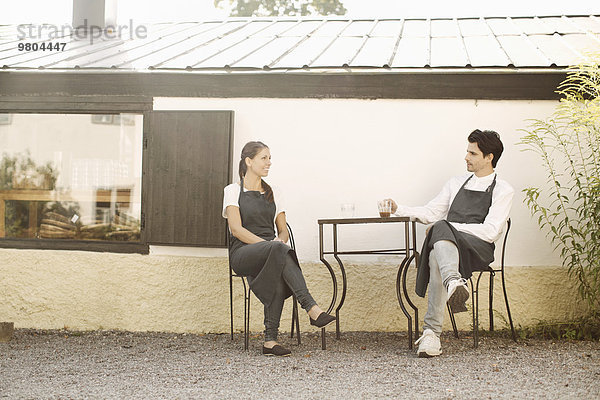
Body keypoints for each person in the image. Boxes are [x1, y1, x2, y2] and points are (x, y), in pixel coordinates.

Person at [387, 129, 514, 358]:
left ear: (489, 157)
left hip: (478, 249)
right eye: (467, 151)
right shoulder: (456, 183)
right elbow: (431, 211)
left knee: (441, 229)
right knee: (438, 251)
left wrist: (450, 228)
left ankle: (432, 332)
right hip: (450, 252)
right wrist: (399, 210)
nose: (466, 157)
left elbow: (491, 231)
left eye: (472, 153)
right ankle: (451, 287)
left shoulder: (503, 189)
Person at [223, 141, 335, 357]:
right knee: (277, 251)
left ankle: (270, 341)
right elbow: (236, 229)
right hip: (243, 253)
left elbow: (282, 231)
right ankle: (311, 307)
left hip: (272, 252)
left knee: (277, 262)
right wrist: (269, 245)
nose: (269, 163)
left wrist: (278, 242)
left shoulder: (275, 192)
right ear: (249, 161)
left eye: (270, 158)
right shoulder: (233, 190)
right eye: (264, 158)